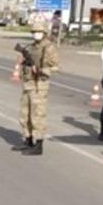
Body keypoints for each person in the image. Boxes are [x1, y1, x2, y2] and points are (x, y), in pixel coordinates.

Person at [12, 21, 60, 155]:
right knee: (24, 114)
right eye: (34, 32)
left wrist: (40, 70)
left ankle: (38, 144)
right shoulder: (31, 47)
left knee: (37, 115)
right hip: (28, 83)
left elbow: (56, 67)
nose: (36, 34)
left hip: (40, 85)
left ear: (44, 33)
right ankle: (28, 140)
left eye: (39, 32)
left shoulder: (49, 48)